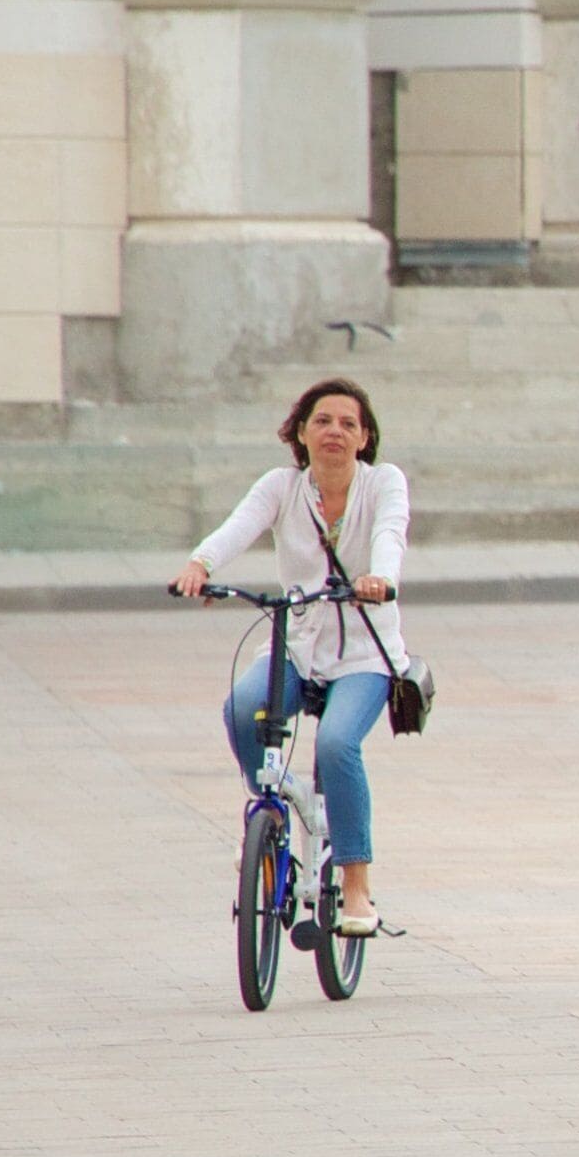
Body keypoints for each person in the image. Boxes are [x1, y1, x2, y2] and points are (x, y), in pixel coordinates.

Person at [171, 378, 411, 939]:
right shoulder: (282, 487)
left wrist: (380, 578)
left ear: (365, 437)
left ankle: (355, 885)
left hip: (363, 654)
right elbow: (238, 527)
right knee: (242, 708)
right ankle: (269, 814)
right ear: (301, 432)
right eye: (322, 420)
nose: (334, 431)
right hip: (297, 646)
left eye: (348, 423)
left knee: (336, 744)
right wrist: (201, 566)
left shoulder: (385, 484)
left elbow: (390, 535)